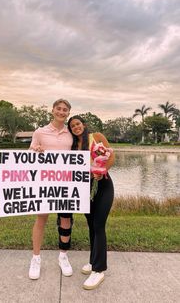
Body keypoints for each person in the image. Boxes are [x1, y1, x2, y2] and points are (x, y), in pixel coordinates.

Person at [68, 115, 115, 290]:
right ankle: (92, 260)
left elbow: (111, 157)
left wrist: (101, 171)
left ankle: (99, 270)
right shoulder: (72, 146)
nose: (76, 127)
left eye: (78, 124)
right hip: (85, 189)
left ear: (84, 124)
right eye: (72, 126)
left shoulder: (97, 137)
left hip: (103, 185)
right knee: (91, 225)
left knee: (98, 225)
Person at [29, 99, 74, 280]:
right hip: (45, 183)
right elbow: (30, 155)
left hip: (66, 183)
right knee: (41, 219)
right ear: (53, 110)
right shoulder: (40, 132)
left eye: (65, 110)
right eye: (59, 109)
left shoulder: (71, 133)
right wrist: (36, 150)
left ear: (68, 113)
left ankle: (63, 256)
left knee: (65, 220)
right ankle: (36, 258)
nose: (61, 112)